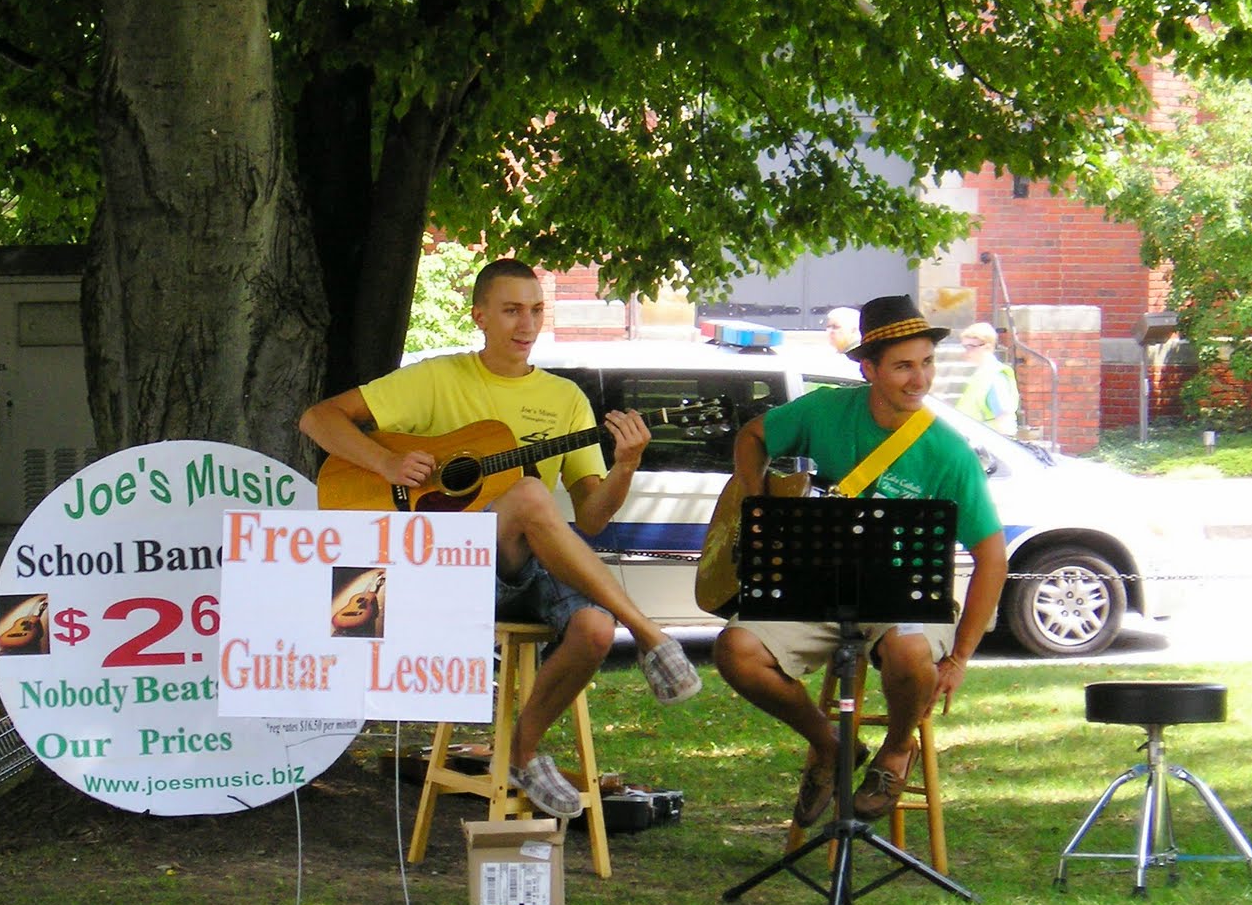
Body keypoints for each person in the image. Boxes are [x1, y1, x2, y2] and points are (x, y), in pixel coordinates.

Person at [298, 258, 702, 821]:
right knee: (531, 494)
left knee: (593, 629)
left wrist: (627, 465)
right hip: (442, 573)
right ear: (480, 317)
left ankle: (524, 752)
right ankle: (651, 633)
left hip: (527, 564)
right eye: (512, 310)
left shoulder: (565, 399)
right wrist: (387, 462)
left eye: (536, 310)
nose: (526, 324)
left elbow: (591, 519)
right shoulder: (437, 378)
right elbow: (318, 419)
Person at [712, 294, 1008, 824]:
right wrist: (754, 497)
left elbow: (993, 559)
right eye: (903, 367)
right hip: (816, 590)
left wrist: (959, 658)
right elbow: (753, 435)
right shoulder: (825, 410)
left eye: (927, 363)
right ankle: (831, 745)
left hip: (901, 601)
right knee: (736, 650)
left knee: (911, 650)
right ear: (868, 369)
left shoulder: (949, 452)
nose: (920, 380)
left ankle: (896, 750)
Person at [955, 322, 1020, 436]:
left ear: (988, 347)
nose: (966, 352)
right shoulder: (982, 374)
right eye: (964, 347)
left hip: (986, 443)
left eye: (971, 347)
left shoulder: (994, 376)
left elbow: (1005, 420)